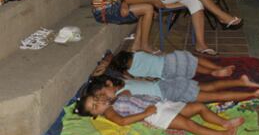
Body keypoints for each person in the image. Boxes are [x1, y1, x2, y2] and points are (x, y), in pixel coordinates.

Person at [74, 82, 245, 135]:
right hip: (156, 115)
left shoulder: (114, 99)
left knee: (199, 107)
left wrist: (120, 94)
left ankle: (224, 123)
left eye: (96, 99)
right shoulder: (109, 112)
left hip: (162, 104)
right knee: (188, 124)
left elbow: (128, 93)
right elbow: (123, 121)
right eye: (95, 107)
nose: (100, 102)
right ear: (95, 115)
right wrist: (145, 114)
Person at [80, 74, 259, 105]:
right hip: (168, 84)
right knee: (210, 87)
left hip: (171, 91)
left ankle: (253, 93)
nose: (105, 99)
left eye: (104, 95)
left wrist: (109, 102)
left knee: (213, 96)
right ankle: (242, 81)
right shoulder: (124, 82)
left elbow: (124, 99)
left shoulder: (122, 93)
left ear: (109, 85)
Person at [93, 49, 235, 80]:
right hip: (168, 61)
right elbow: (156, 55)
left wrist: (106, 67)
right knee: (193, 60)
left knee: (191, 67)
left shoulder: (132, 72)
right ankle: (215, 69)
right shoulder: (139, 54)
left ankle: (214, 72)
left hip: (166, 74)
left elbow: (134, 79)